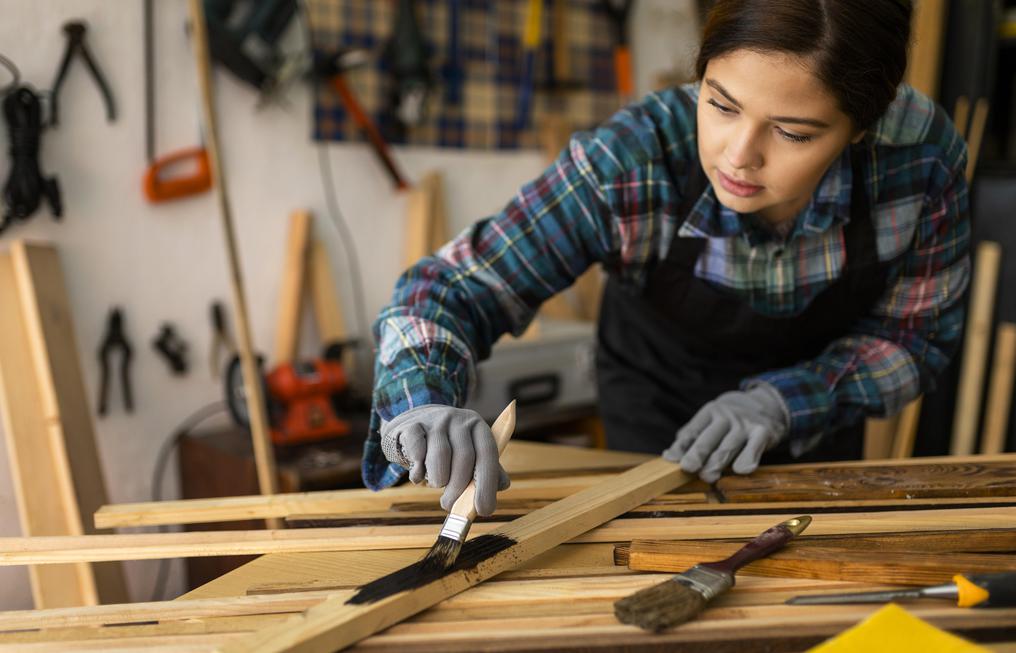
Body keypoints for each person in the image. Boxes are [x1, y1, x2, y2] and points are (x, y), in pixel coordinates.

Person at [362, 0, 970, 516]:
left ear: (862, 127)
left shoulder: (918, 158)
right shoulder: (631, 160)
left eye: (792, 133)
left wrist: (786, 401)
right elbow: (449, 290)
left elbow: (915, 335)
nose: (738, 156)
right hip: (654, 403)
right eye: (722, 105)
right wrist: (425, 402)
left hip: (814, 420)